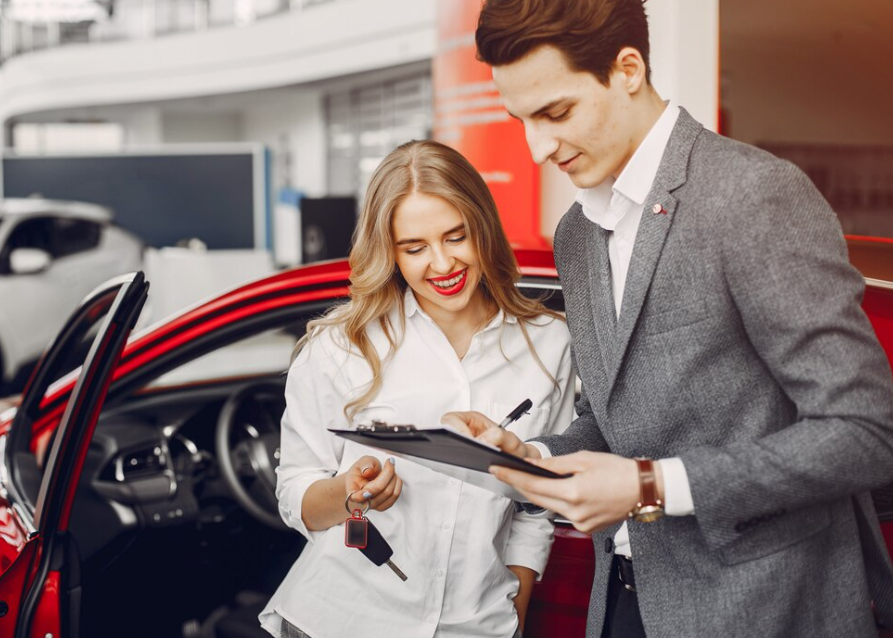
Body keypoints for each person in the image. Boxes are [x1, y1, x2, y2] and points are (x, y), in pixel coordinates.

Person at [442, 1, 893, 637]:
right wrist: (532, 455)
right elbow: (614, 421)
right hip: (627, 602)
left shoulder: (751, 195)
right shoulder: (575, 233)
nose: (537, 147)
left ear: (627, 69)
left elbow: (868, 432)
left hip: (764, 608)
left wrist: (649, 487)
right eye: (521, 120)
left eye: (556, 112)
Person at [258, 139, 574, 638]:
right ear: (390, 252)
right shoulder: (340, 346)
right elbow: (296, 495)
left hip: (479, 626)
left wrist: (517, 600)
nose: (443, 265)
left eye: (456, 237)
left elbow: (537, 500)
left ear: (483, 229)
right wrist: (347, 492)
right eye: (415, 248)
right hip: (341, 621)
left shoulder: (549, 342)